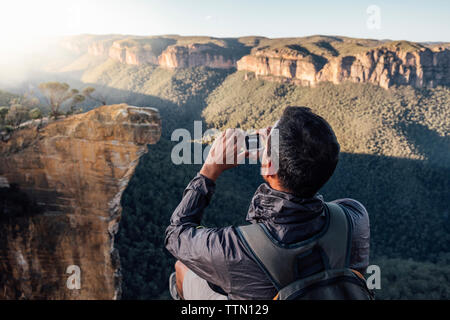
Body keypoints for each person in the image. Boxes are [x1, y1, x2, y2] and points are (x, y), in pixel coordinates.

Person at [165, 106, 370, 300]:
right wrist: (275, 155)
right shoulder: (355, 217)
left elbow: (175, 234)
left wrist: (209, 171)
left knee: (182, 267)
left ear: (270, 166)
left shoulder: (236, 250)